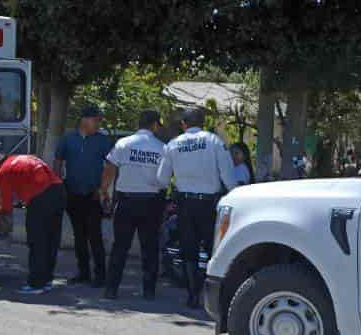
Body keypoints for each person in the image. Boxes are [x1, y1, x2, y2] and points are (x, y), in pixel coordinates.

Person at [156, 105, 235, 309]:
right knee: (212, 250)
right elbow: (228, 175)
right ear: (203, 123)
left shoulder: (173, 144)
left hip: (185, 204)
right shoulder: (214, 141)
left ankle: (192, 295)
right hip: (210, 204)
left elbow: (162, 179)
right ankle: (214, 297)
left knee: (189, 250)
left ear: (183, 124)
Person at [99, 109, 170, 300]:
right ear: (154, 125)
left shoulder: (124, 144)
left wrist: (104, 190)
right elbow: (166, 179)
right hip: (151, 203)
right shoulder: (162, 148)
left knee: (120, 246)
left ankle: (111, 289)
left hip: (126, 201)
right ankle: (149, 291)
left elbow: (109, 168)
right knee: (150, 248)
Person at [0, 150, 65, 294]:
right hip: (59, 192)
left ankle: (36, 284)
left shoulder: (3, 171)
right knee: (51, 239)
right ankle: (47, 280)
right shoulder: (23, 157)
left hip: (41, 199)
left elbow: (6, 205)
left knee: (36, 241)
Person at [54, 104, 111, 286]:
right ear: (84, 120)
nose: (98, 123)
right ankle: (83, 272)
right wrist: (58, 185)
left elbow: (111, 166)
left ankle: (101, 275)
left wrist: (103, 189)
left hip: (93, 194)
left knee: (95, 234)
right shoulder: (68, 139)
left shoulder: (103, 141)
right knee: (79, 235)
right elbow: (58, 161)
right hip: (73, 192)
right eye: (96, 120)